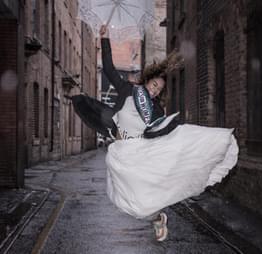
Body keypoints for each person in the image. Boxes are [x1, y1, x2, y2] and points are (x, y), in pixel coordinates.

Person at [74, 25, 239, 242]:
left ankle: (157, 217)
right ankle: (157, 218)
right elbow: (108, 69)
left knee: (145, 198)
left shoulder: (155, 110)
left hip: (141, 154)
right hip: (121, 154)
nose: (154, 91)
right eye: (153, 85)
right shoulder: (127, 89)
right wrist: (104, 38)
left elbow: (162, 130)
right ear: (146, 81)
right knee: (125, 202)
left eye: (158, 90)